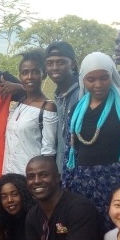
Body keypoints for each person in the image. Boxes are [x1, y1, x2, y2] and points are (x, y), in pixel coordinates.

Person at [61, 52, 120, 230]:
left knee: (117, 230)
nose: (98, 85)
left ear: (112, 76)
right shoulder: (77, 109)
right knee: (86, 230)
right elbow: (71, 150)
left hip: (117, 180)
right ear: (83, 80)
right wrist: (67, 184)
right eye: (91, 79)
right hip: (83, 182)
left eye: (104, 78)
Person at [3, 50, 58, 174]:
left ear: (43, 75)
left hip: (31, 178)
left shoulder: (47, 108)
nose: (29, 77)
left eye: (35, 72)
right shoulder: (18, 105)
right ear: (20, 76)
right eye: (25, 73)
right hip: (9, 175)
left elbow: (48, 153)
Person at [44, 41, 80, 173]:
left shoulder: (82, 93)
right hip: (62, 171)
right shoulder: (58, 96)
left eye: (61, 62)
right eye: (50, 63)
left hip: (80, 171)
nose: (54, 67)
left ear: (73, 64)